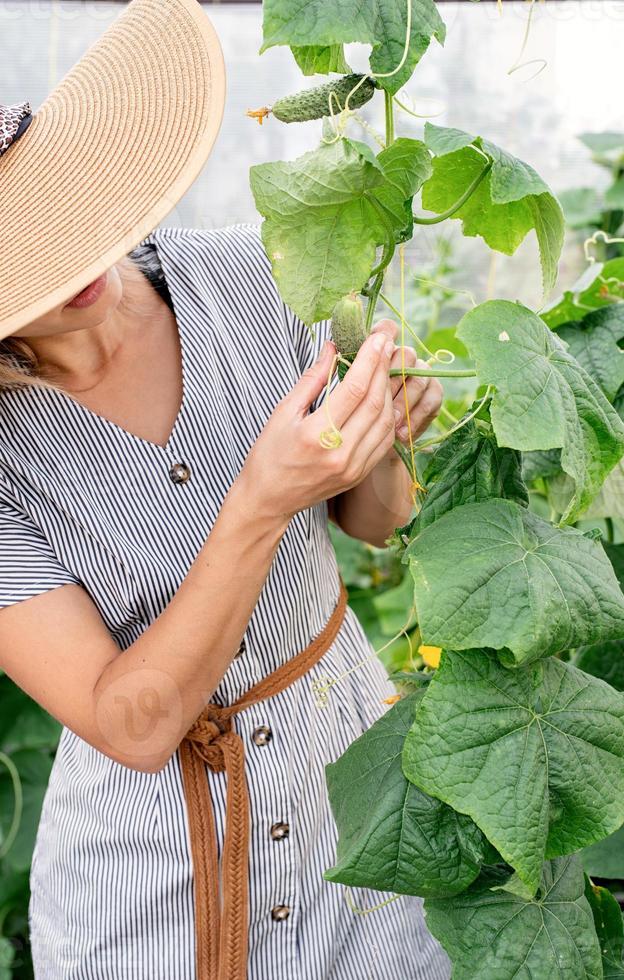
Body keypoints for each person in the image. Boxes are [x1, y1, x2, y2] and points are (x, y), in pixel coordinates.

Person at [0, 1, 449, 978]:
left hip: (352, 807)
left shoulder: (255, 276)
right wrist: (258, 499)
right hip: (148, 877)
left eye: (63, 208)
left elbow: (379, 522)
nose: (76, 261)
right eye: (26, 255)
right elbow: (133, 719)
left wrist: (379, 436)